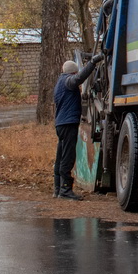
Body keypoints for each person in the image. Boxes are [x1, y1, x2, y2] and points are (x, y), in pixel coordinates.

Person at [53, 53, 104, 200]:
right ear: (73, 72)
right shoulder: (68, 81)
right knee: (68, 157)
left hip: (61, 124)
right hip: (68, 124)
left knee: (61, 155)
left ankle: (57, 189)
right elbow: (78, 79)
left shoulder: (59, 83)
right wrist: (93, 63)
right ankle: (65, 190)